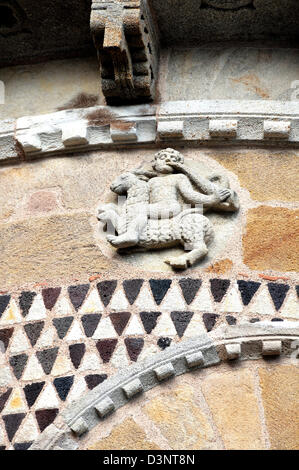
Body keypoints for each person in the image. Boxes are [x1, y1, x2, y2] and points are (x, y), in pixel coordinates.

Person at [108, 148, 234, 248]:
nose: (168, 159)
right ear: (154, 163)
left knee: (140, 209)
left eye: (173, 158)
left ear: (177, 165)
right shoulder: (152, 181)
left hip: (169, 207)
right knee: (137, 209)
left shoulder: (179, 177)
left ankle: (132, 235)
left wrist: (212, 199)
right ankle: (135, 234)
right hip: (154, 208)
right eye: (163, 157)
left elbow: (190, 195)